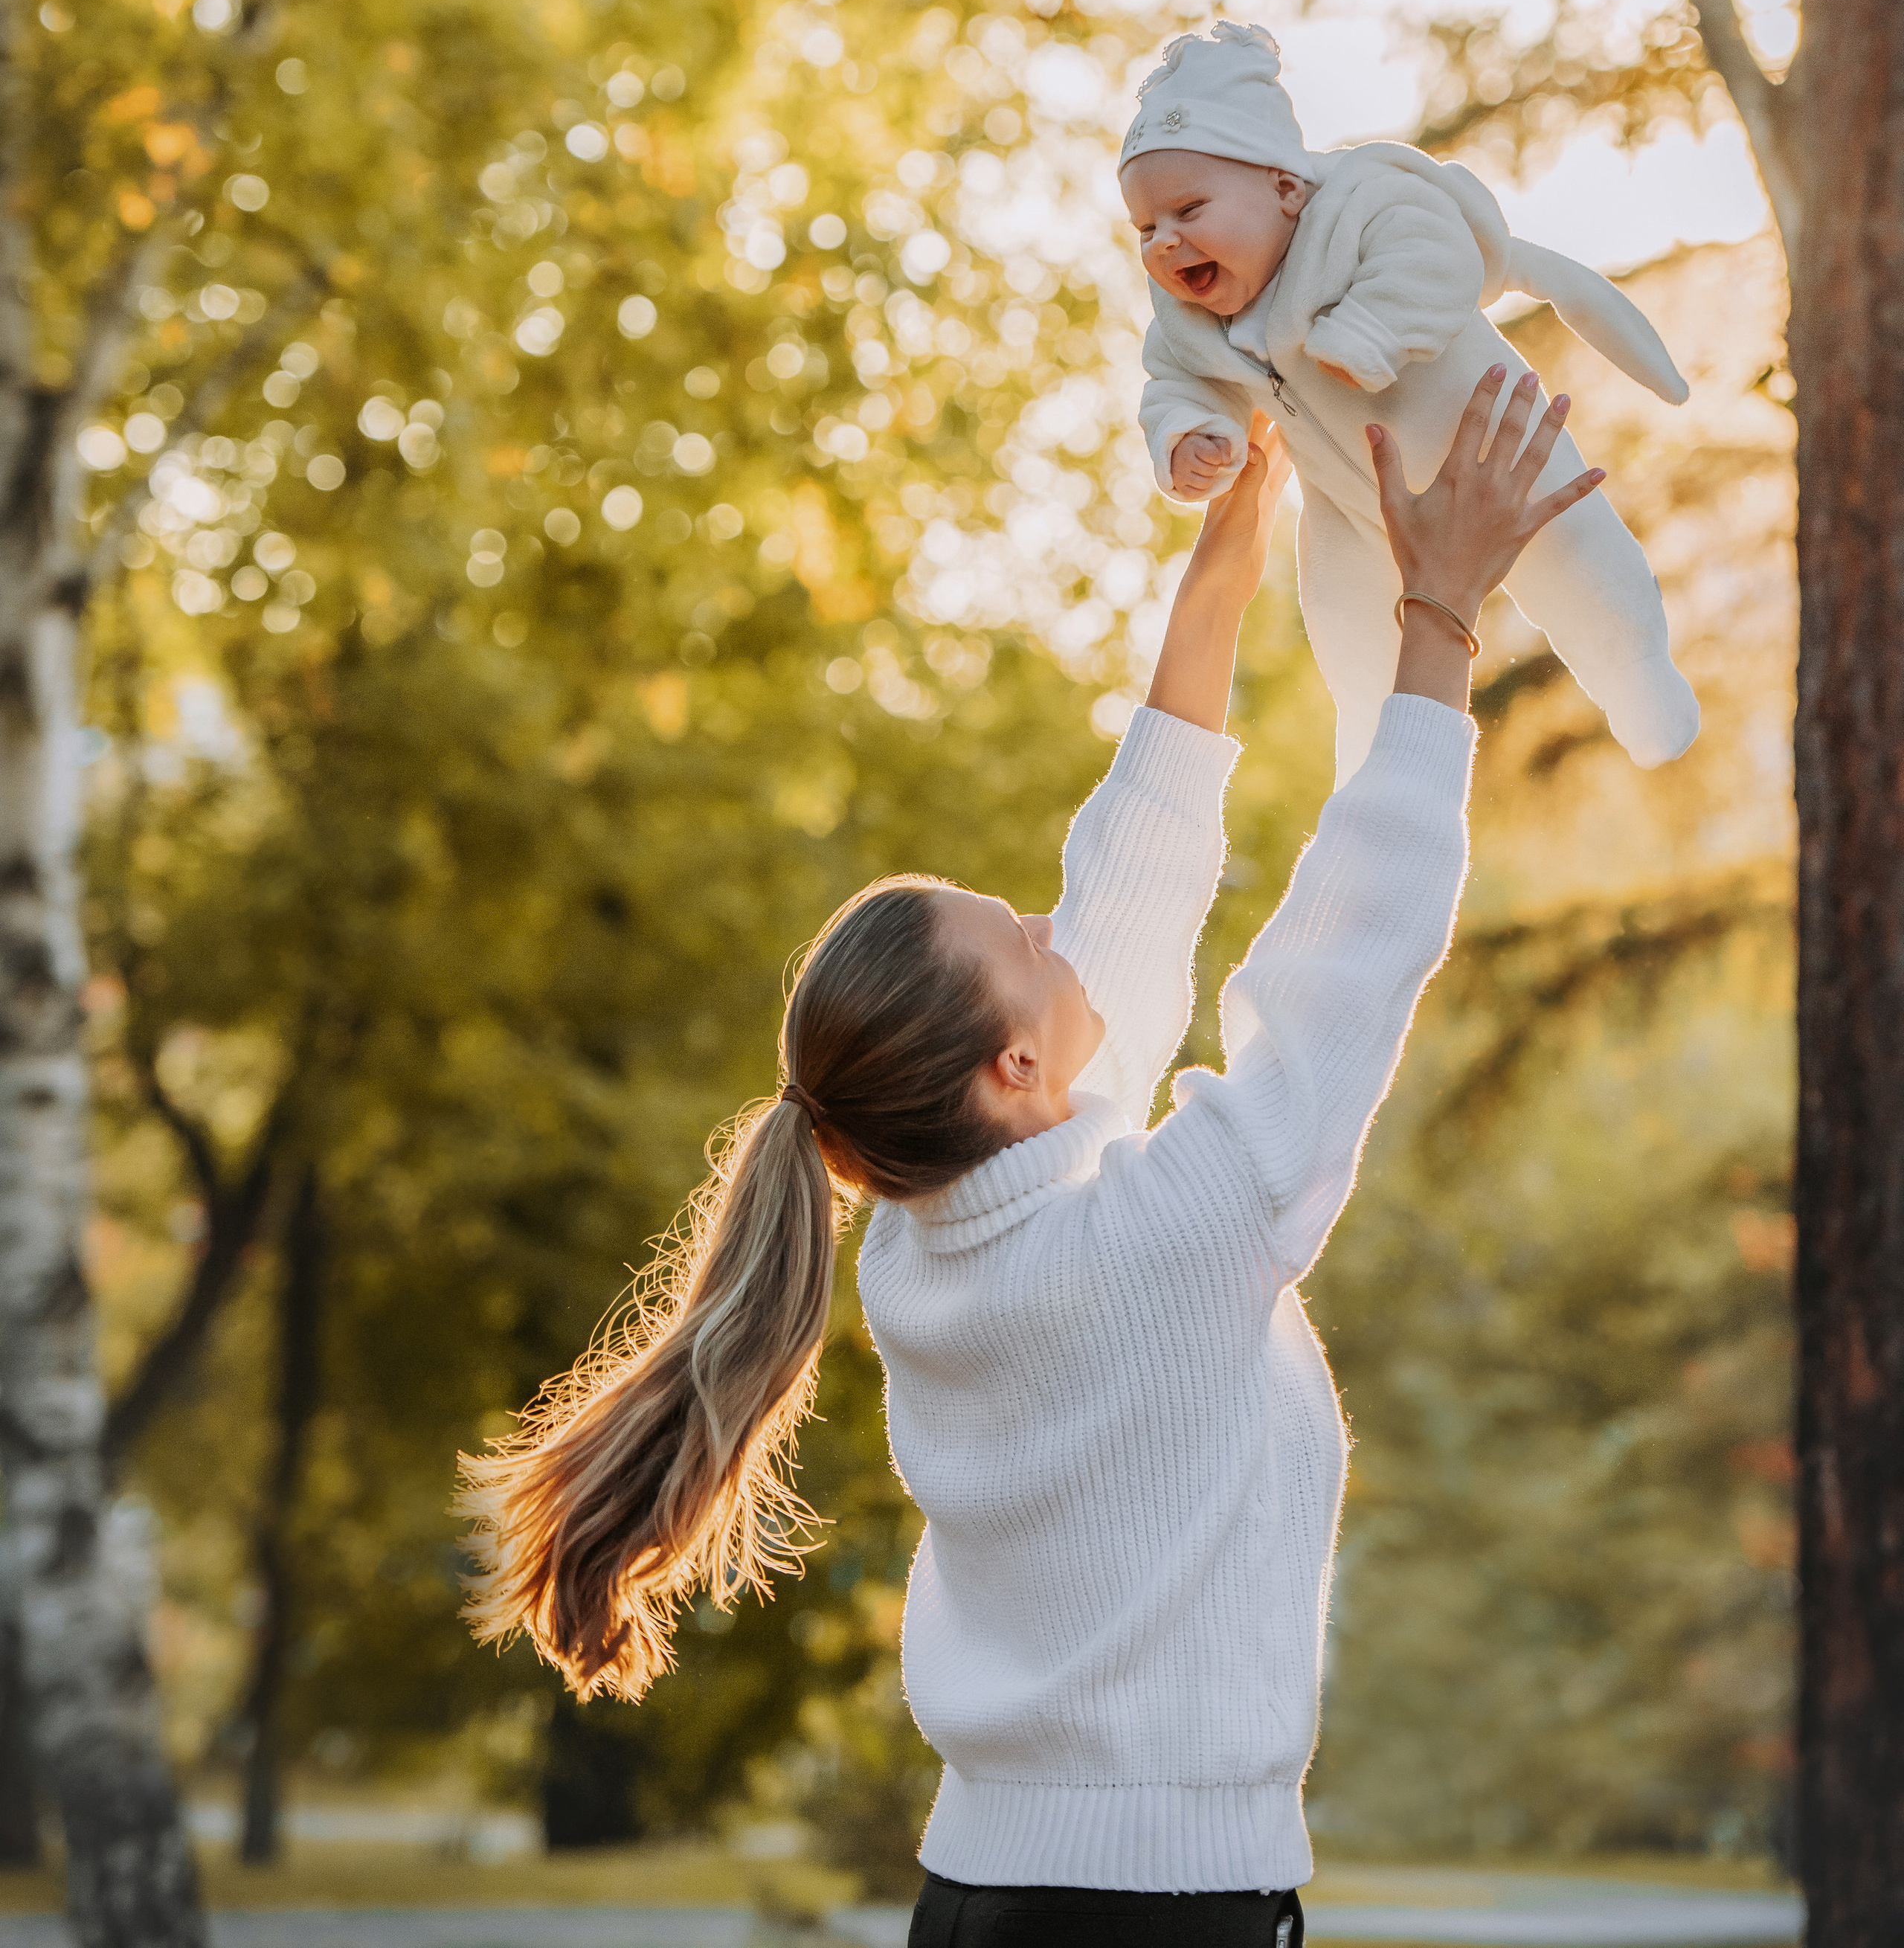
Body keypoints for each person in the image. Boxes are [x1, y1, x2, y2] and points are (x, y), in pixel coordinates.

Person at [458, 366, 1605, 1947]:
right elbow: (1349, 953)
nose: (1061, 922)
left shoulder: (954, 1238)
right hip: (1163, 1912)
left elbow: (1129, 884)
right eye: (1023, 936)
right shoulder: (1146, 1241)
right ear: (1012, 1066)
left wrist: (1232, 541)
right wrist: (1439, 618)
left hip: (987, 1894)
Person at [1120, 18, 1699, 782]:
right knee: (1349, 631)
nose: (1164, 241)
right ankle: (1373, 761)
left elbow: (1433, 256)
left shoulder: (1363, 206)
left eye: (1189, 211)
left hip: (1491, 450)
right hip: (1358, 510)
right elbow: (1173, 382)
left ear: (1285, 187)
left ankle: (1637, 675)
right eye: (1145, 227)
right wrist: (1190, 434)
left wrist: (1369, 332)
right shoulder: (1191, 324)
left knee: (1580, 566)